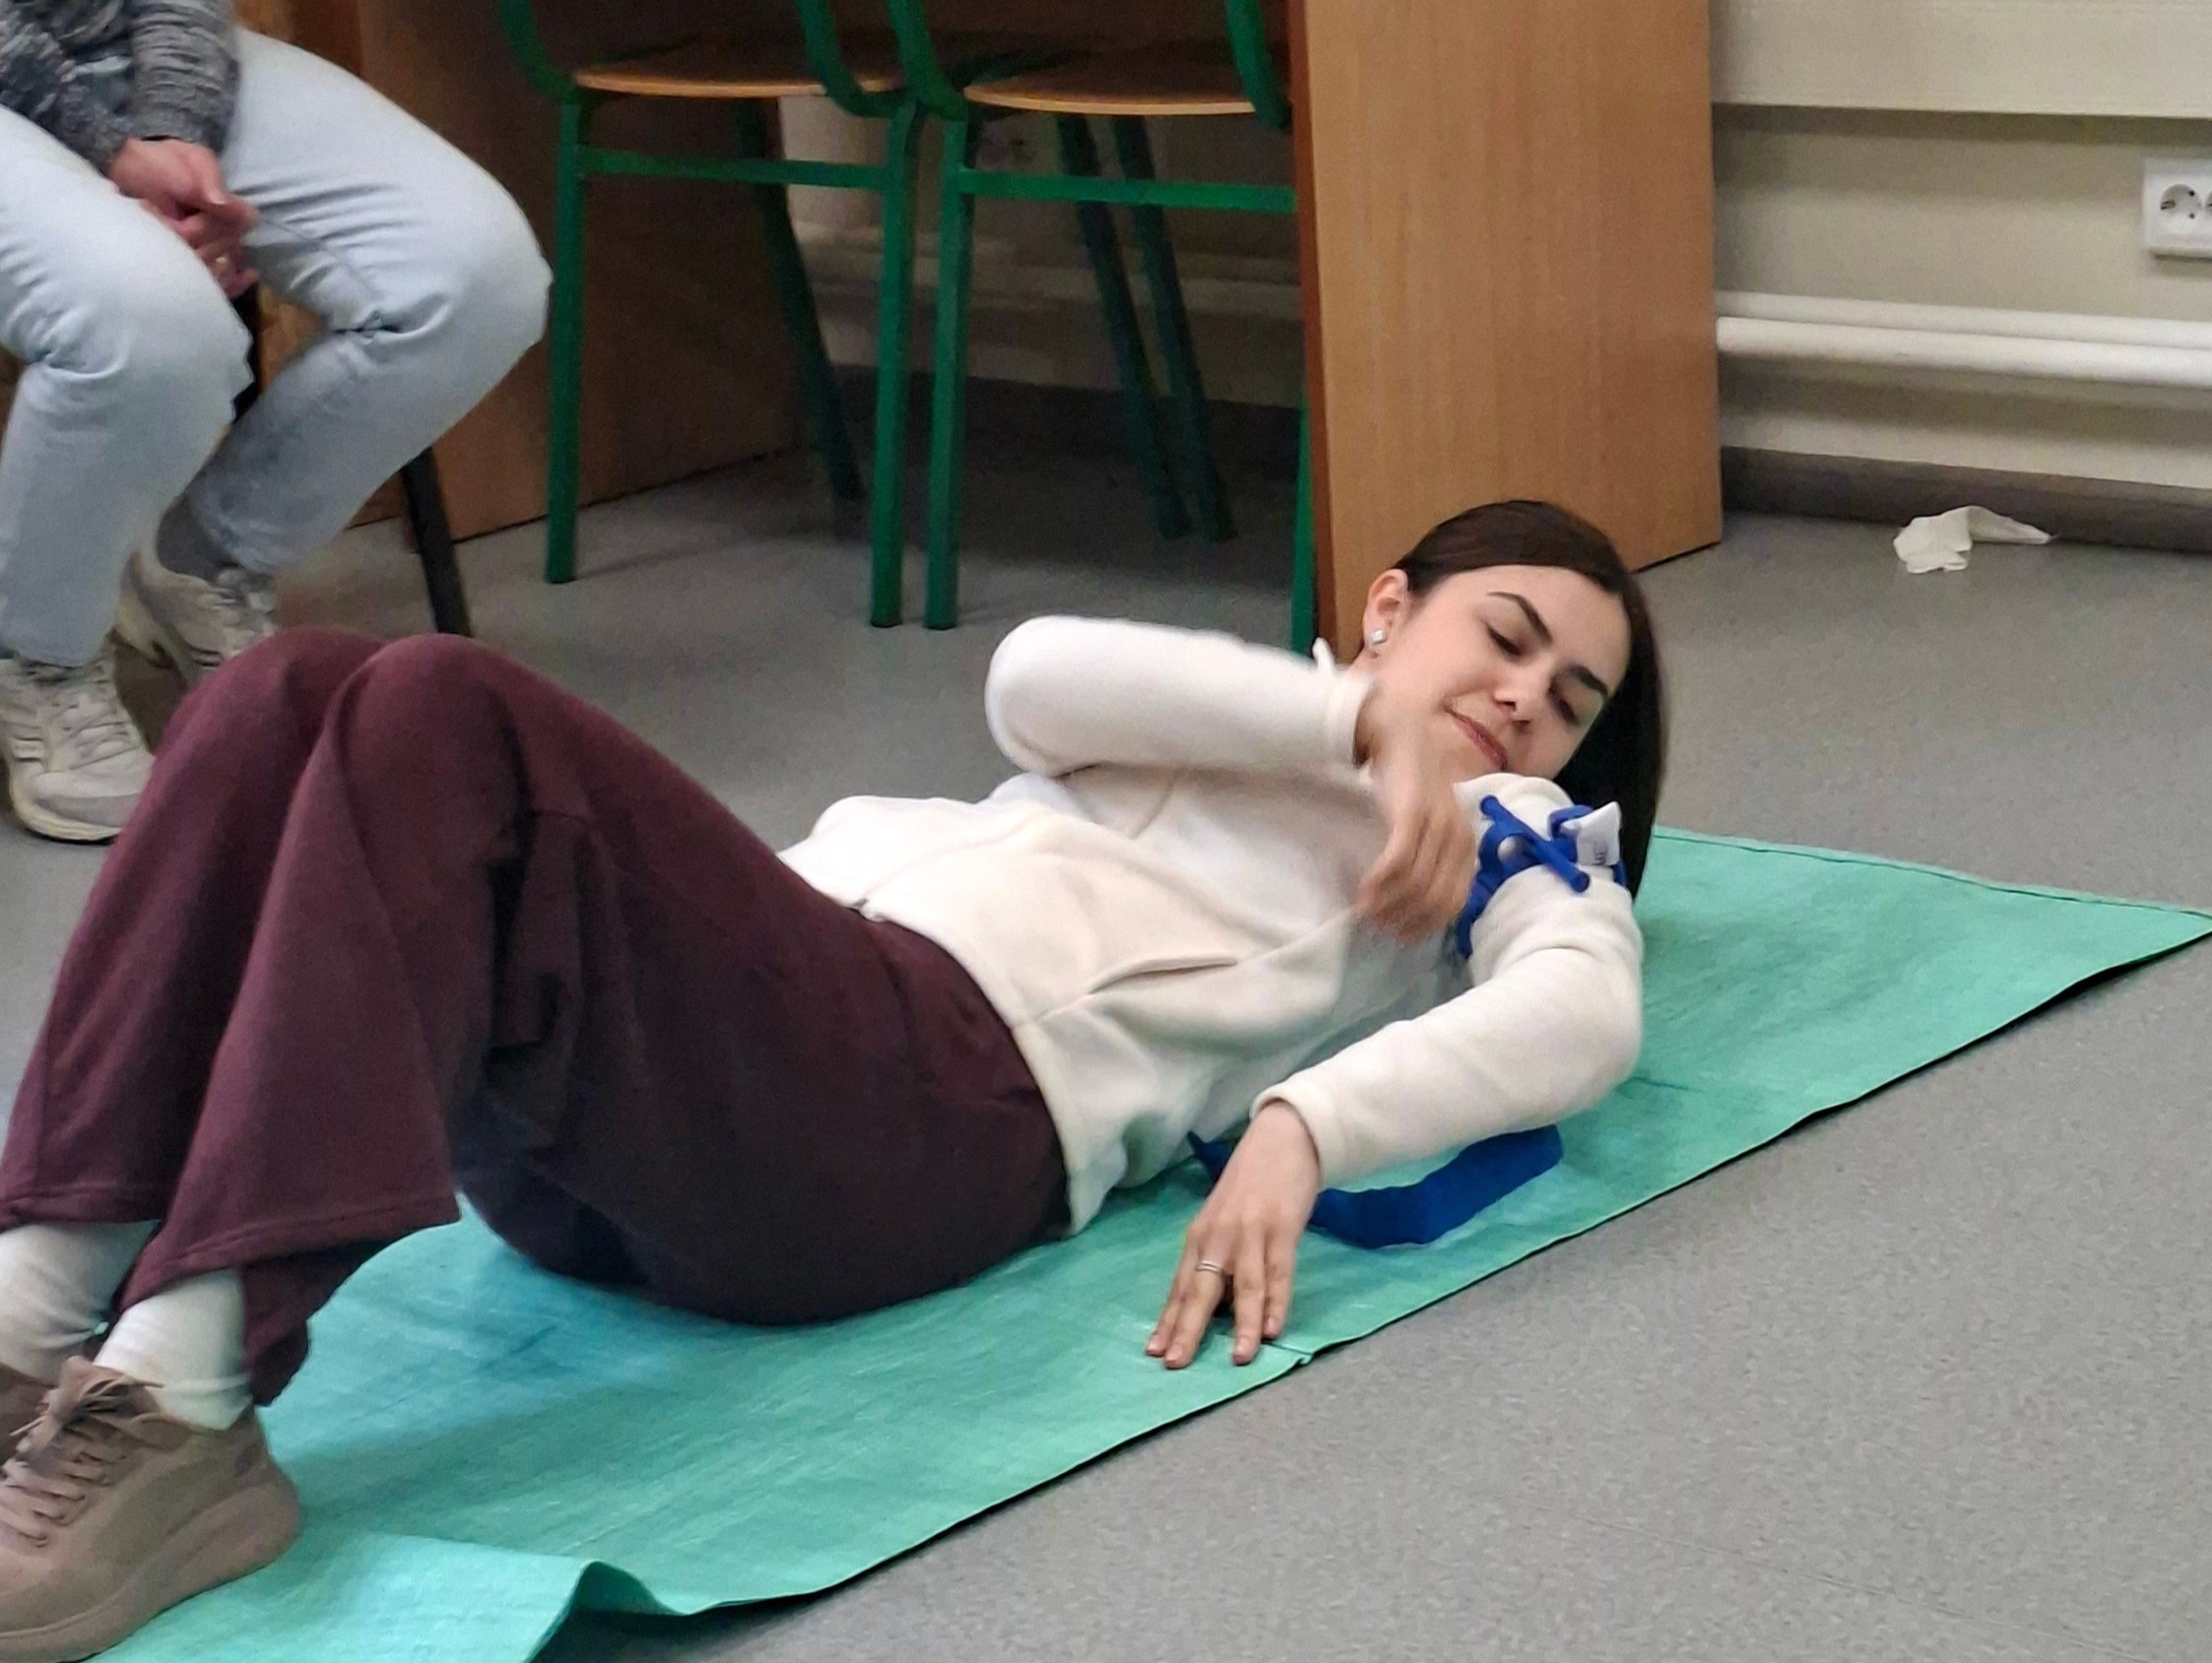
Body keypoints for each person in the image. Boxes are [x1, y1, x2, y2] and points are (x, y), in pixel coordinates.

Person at [0, 499, 1661, 1658]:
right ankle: (30, 1315)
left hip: (923, 1108)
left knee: (444, 704)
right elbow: (1029, 677)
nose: (1522, 699)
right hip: (668, 1109)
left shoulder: (1504, 833)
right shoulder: (1260, 709)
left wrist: (1308, 1123)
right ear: (1389, 606)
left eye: (1567, 699)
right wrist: (1351, 725)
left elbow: (1583, 1011)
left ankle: (184, 1404)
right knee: (283, 687)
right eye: (1503, 638)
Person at [0, 0, 548, 843]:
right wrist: (117, 156)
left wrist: (175, 132)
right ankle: (39, 657)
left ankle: (203, 560)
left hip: (137, 47)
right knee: (150, 327)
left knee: (474, 278)